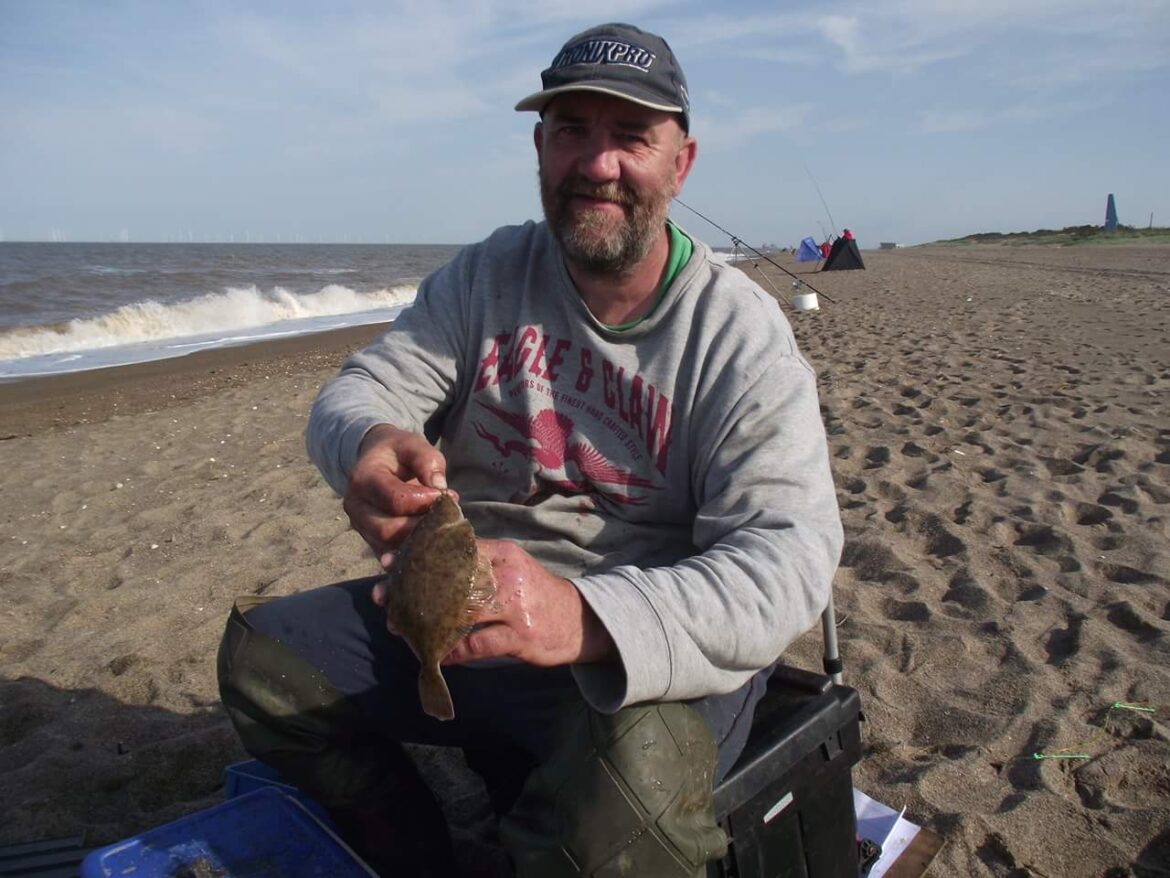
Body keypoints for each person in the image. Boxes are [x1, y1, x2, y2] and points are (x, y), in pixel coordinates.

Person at [217, 21, 842, 878]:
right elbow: (360, 391)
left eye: (631, 137)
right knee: (264, 663)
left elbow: (789, 559)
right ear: (541, 148)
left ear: (680, 163)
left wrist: (582, 616)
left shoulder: (738, 335)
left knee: (621, 828)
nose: (598, 164)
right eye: (573, 131)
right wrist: (368, 443)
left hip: (646, 659)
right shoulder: (484, 278)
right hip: (469, 629)